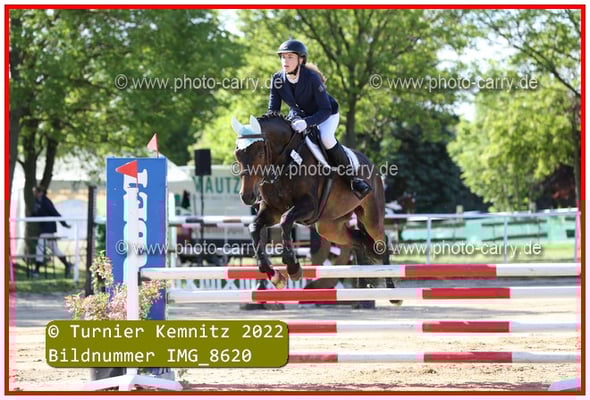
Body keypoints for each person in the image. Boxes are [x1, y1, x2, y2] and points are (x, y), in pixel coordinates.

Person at [268, 39, 372, 199]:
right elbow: (273, 111)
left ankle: (353, 179)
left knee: (326, 138)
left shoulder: (311, 78)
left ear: (300, 60)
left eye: (290, 57)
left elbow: (325, 109)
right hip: (298, 116)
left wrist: (307, 122)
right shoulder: (277, 79)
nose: (285, 61)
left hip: (325, 115)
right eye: (283, 57)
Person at [31, 186, 73, 278]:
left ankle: (36, 271)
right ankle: (67, 264)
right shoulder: (38, 202)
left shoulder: (46, 202)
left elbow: (55, 213)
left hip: (47, 229)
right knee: (54, 249)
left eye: (36, 192)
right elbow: (37, 215)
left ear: (40, 193)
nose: (34, 194)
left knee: (40, 247)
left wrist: (64, 224)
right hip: (45, 229)